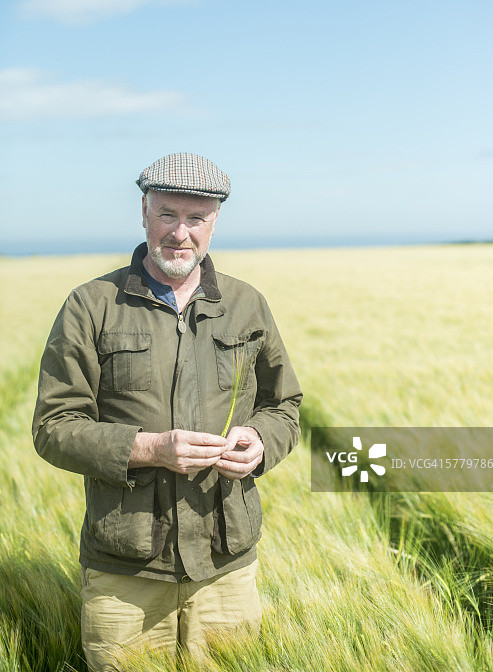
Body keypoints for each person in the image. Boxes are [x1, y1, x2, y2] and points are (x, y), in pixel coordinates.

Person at [32, 152, 302, 671]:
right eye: (167, 214)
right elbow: (52, 428)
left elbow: (284, 404)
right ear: (143, 212)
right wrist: (150, 448)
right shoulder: (91, 305)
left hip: (226, 565)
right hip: (125, 573)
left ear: (214, 222)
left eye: (196, 218)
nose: (181, 233)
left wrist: (262, 440)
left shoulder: (247, 305)